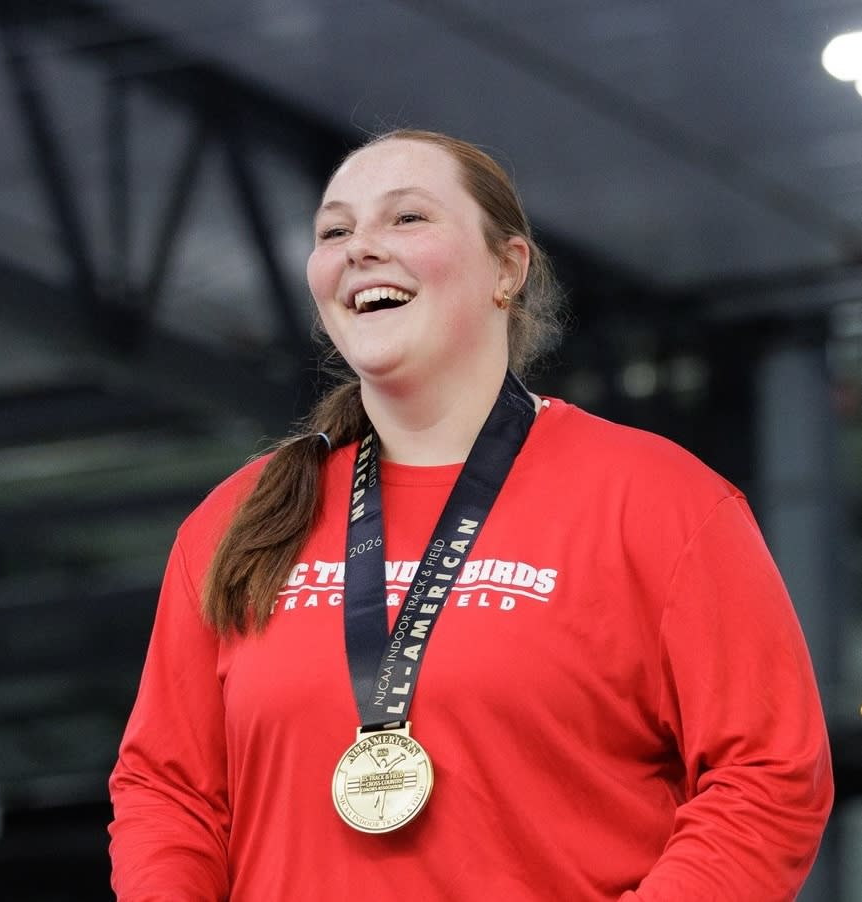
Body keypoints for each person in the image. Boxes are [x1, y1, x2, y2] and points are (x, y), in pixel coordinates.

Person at [108, 129, 833, 901]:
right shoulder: (238, 518)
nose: (361, 248)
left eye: (406, 218)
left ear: (506, 269)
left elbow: (768, 777)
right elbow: (169, 789)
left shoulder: (658, 499)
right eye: (335, 230)